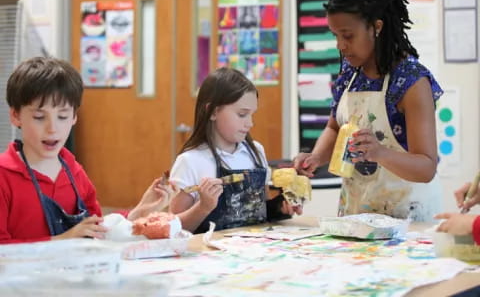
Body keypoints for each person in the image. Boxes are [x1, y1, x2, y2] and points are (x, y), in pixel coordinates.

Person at [293, 0, 444, 221]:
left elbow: (426, 167)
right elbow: (334, 127)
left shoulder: (411, 82)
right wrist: (315, 157)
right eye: (335, 36)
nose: (340, 45)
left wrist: (380, 153)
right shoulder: (349, 75)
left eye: (348, 35)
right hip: (358, 213)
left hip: (407, 217)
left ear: (377, 27)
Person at [0, 57, 178, 244]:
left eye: (62, 116)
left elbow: (98, 231)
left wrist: (140, 211)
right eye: (39, 117)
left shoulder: (73, 172)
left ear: (74, 117)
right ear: (16, 115)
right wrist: (63, 240)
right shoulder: (4, 175)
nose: (52, 128)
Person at [169, 67, 301, 233]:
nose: (250, 123)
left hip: (252, 250)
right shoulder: (190, 161)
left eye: (252, 114)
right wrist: (203, 207)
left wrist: (280, 208)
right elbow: (173, 228)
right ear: (213, 111)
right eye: (242, 114)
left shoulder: (256, 152)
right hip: (210, 254)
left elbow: (261, 211)